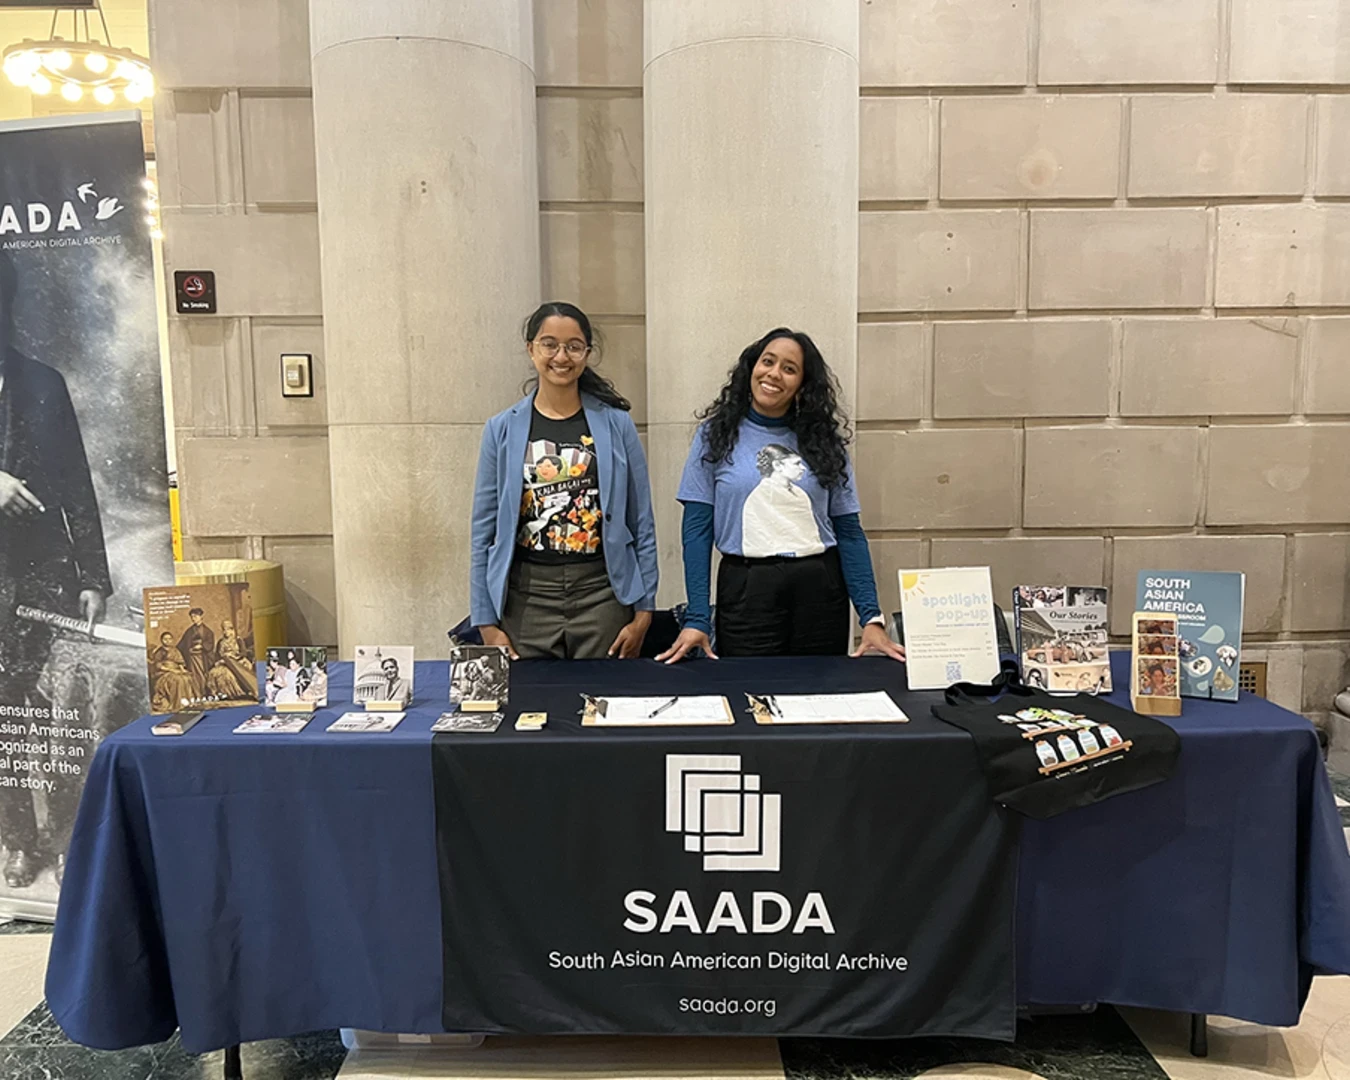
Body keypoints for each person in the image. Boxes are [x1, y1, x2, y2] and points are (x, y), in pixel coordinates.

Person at [658, 327, 904, 663]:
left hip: (820, 590)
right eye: (768, 362)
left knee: (819, 701)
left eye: (789, 369)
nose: (774, 374)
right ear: (751, 368)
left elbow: (849, 533)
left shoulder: (824, 442)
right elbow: (697, 531)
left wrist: (870, 618)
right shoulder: (715, 435)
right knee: (750, 697)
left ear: (802, 384)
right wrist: (698, 617)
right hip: (747, 591)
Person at [0, 251, 112, 889]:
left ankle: (70, 835)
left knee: (63, 715)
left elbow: (77, 486)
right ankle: (20, 840)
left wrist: (93, 577)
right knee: (2, 715)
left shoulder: (45, 383)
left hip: (48, 576)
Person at [470, 302, 658, 660]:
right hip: (526, 599)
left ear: (587, 353)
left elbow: (641, 520)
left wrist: (644, 610)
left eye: (573, 346)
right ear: (531, 349)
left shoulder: (617, 425)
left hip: (602, 592)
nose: (561, 356)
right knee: (531, 707)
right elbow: (484, 530)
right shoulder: (501, 429)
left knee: (605, 703)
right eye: (549, 344)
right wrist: (485, 621)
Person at [149, 633, 197, 715]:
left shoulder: (176, 651)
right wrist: (172, 670)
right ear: (162, 640)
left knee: (187, 678)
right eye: (165, 639)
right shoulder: (160, 652)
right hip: (164, 673)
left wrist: (182, 670)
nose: (167, 641)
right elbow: (158, 666)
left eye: (169, 639)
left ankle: (187, 703)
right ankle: (177, 705)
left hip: (176, 670)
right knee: (177, 680)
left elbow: (180, 663)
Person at [177, 608, 214, 698]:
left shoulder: (208, 631)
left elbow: (210, 644)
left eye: (195, 616)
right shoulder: (189, 631)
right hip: (192, 658)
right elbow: (181, 645)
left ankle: (204, 693)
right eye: (192, 617)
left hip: (202, 657)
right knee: (194, 675)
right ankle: (196, 695)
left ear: (201, 617)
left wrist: (201, 646)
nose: (193, 618)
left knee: (202, 675)